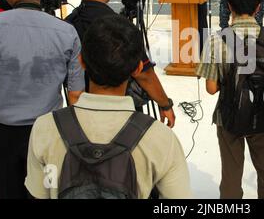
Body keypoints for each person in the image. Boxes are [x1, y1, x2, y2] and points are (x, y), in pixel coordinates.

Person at [25, 15, 192, 199]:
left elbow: (38, 194)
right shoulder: (161, 138)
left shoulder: (45, 128)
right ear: (137, 69)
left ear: (81, 61)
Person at [0, 0, 85, 199]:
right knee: (48, 192)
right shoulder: (66, 32)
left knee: (6, 192)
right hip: (49, 132)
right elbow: (76, 94)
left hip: (1, 134)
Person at [197, 0, 264, 199]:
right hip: (263, 114)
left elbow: (210, 87)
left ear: (229, 7)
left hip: (229, 117)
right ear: (258, 7)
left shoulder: (216, 40)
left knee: (231, 173)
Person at [66, 0, 176, 128]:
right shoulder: (118, 27)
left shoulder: (68, 24)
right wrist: (165, 104)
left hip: (81, 115)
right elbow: (144, 74)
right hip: (122, 114)